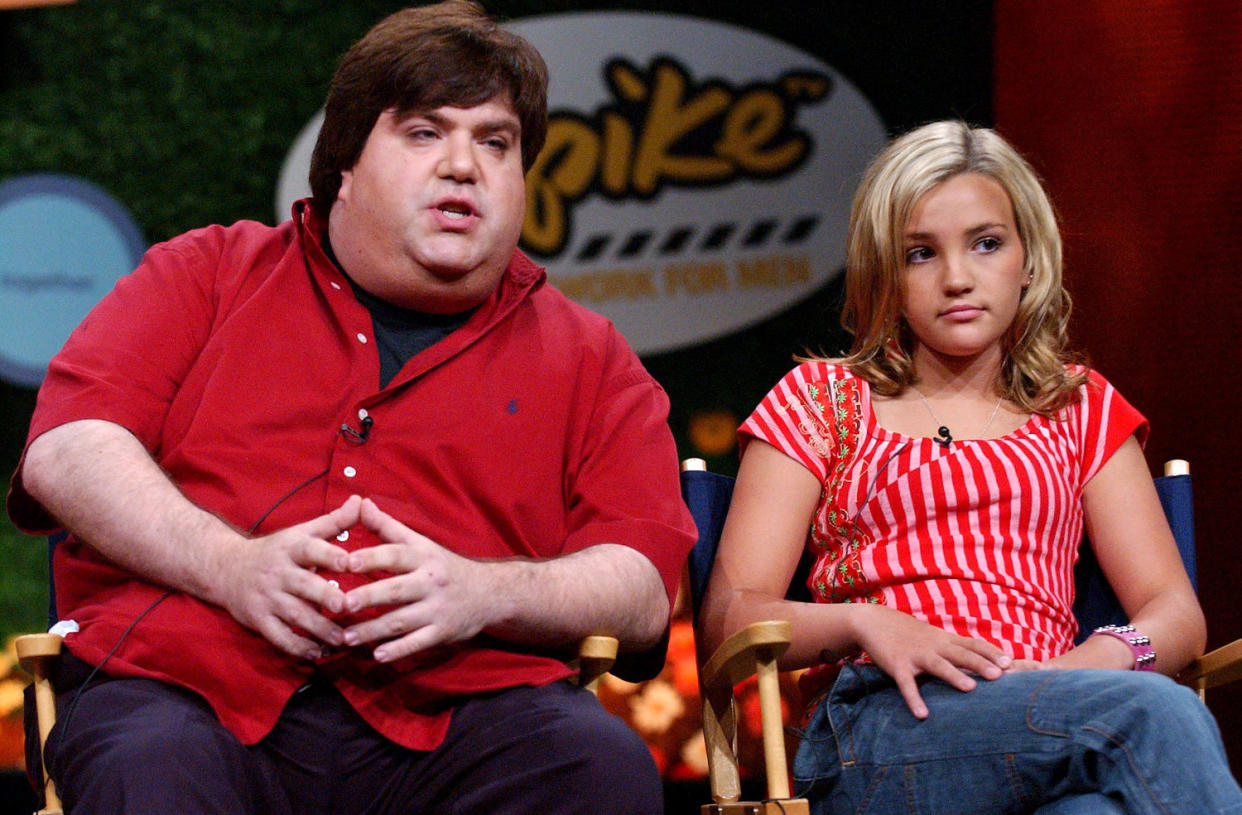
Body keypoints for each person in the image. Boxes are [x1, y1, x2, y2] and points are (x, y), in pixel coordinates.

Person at [7, 3, 695, 814]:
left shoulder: (591, 355)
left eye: (496, 143)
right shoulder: (206, 274)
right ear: (343, 166)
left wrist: (482, 590)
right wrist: (233, 568)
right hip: (188, 695)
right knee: (152, 769)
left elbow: (644, 588)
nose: (465, 166)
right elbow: (70, 449)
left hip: (466, 714)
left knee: (598, 767)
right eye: (424, 133)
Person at [698, 120, 1242, 814]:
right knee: (1158, 714)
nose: (957, 278)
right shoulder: (823, 400)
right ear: (885, 273)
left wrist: (1089, 666)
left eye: (986, 244)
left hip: (1056, 713)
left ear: (1030, 258)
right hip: (884, 722)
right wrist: (866, 624)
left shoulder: (1076, 406)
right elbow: (730, 615)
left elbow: (1174, 611)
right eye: (921, 253)